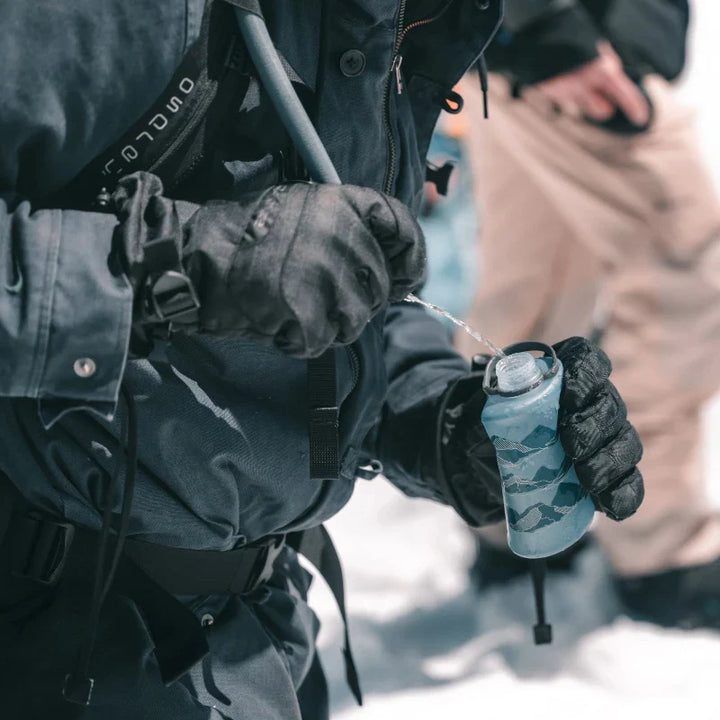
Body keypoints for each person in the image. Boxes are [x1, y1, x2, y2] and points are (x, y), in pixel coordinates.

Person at [0, 1, 644, 717]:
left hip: (259, 641)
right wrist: (175, 271)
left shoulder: (385, 22)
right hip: (54, 637)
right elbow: (242, 261)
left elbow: (347, 295)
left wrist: (438, 422)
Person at [458, 0, 720, 628]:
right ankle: (661, 545)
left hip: (515, 40)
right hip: (563, 44)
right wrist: (549, 28)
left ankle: (517, 511)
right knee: (687, 275)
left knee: (534, 284)